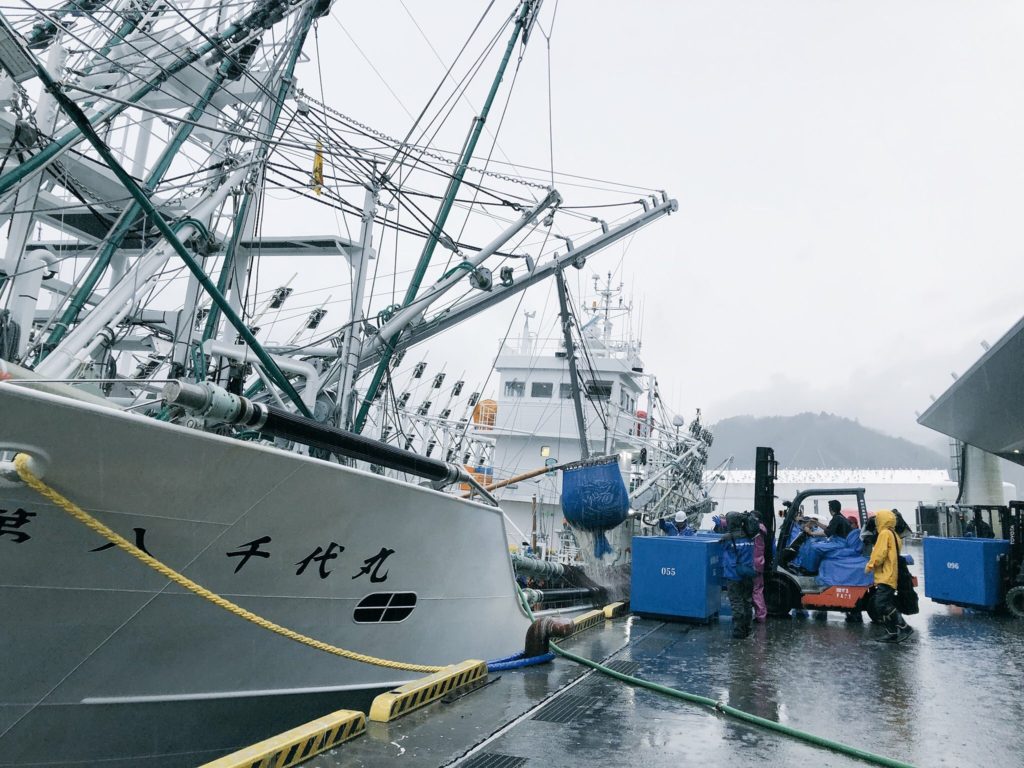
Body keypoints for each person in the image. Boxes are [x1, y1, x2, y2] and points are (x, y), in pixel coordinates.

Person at [865, 509, 912, 643]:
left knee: (880, 605)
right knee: (885, 603)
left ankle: (904, 627)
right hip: (891, 573)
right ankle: (891, 632)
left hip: (886, 575)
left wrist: (870, 565)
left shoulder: (884, 534)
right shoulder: (894, 534)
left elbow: (880, 553)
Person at [721, 512, 756, 639]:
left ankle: (739, 631)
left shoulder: (728, 538)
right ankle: (748, 628)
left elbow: (721, 545)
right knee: (747, 601)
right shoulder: (750, 536)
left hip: (733, 575)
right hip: (747, 573)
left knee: (736, 602)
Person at [752, 518, 767, 622]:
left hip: (753, 564)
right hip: (760, 563)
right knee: (758, 589)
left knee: (755, 590)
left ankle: (760, 615)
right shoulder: (761, 531)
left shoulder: (754, 533)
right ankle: (761, 614)